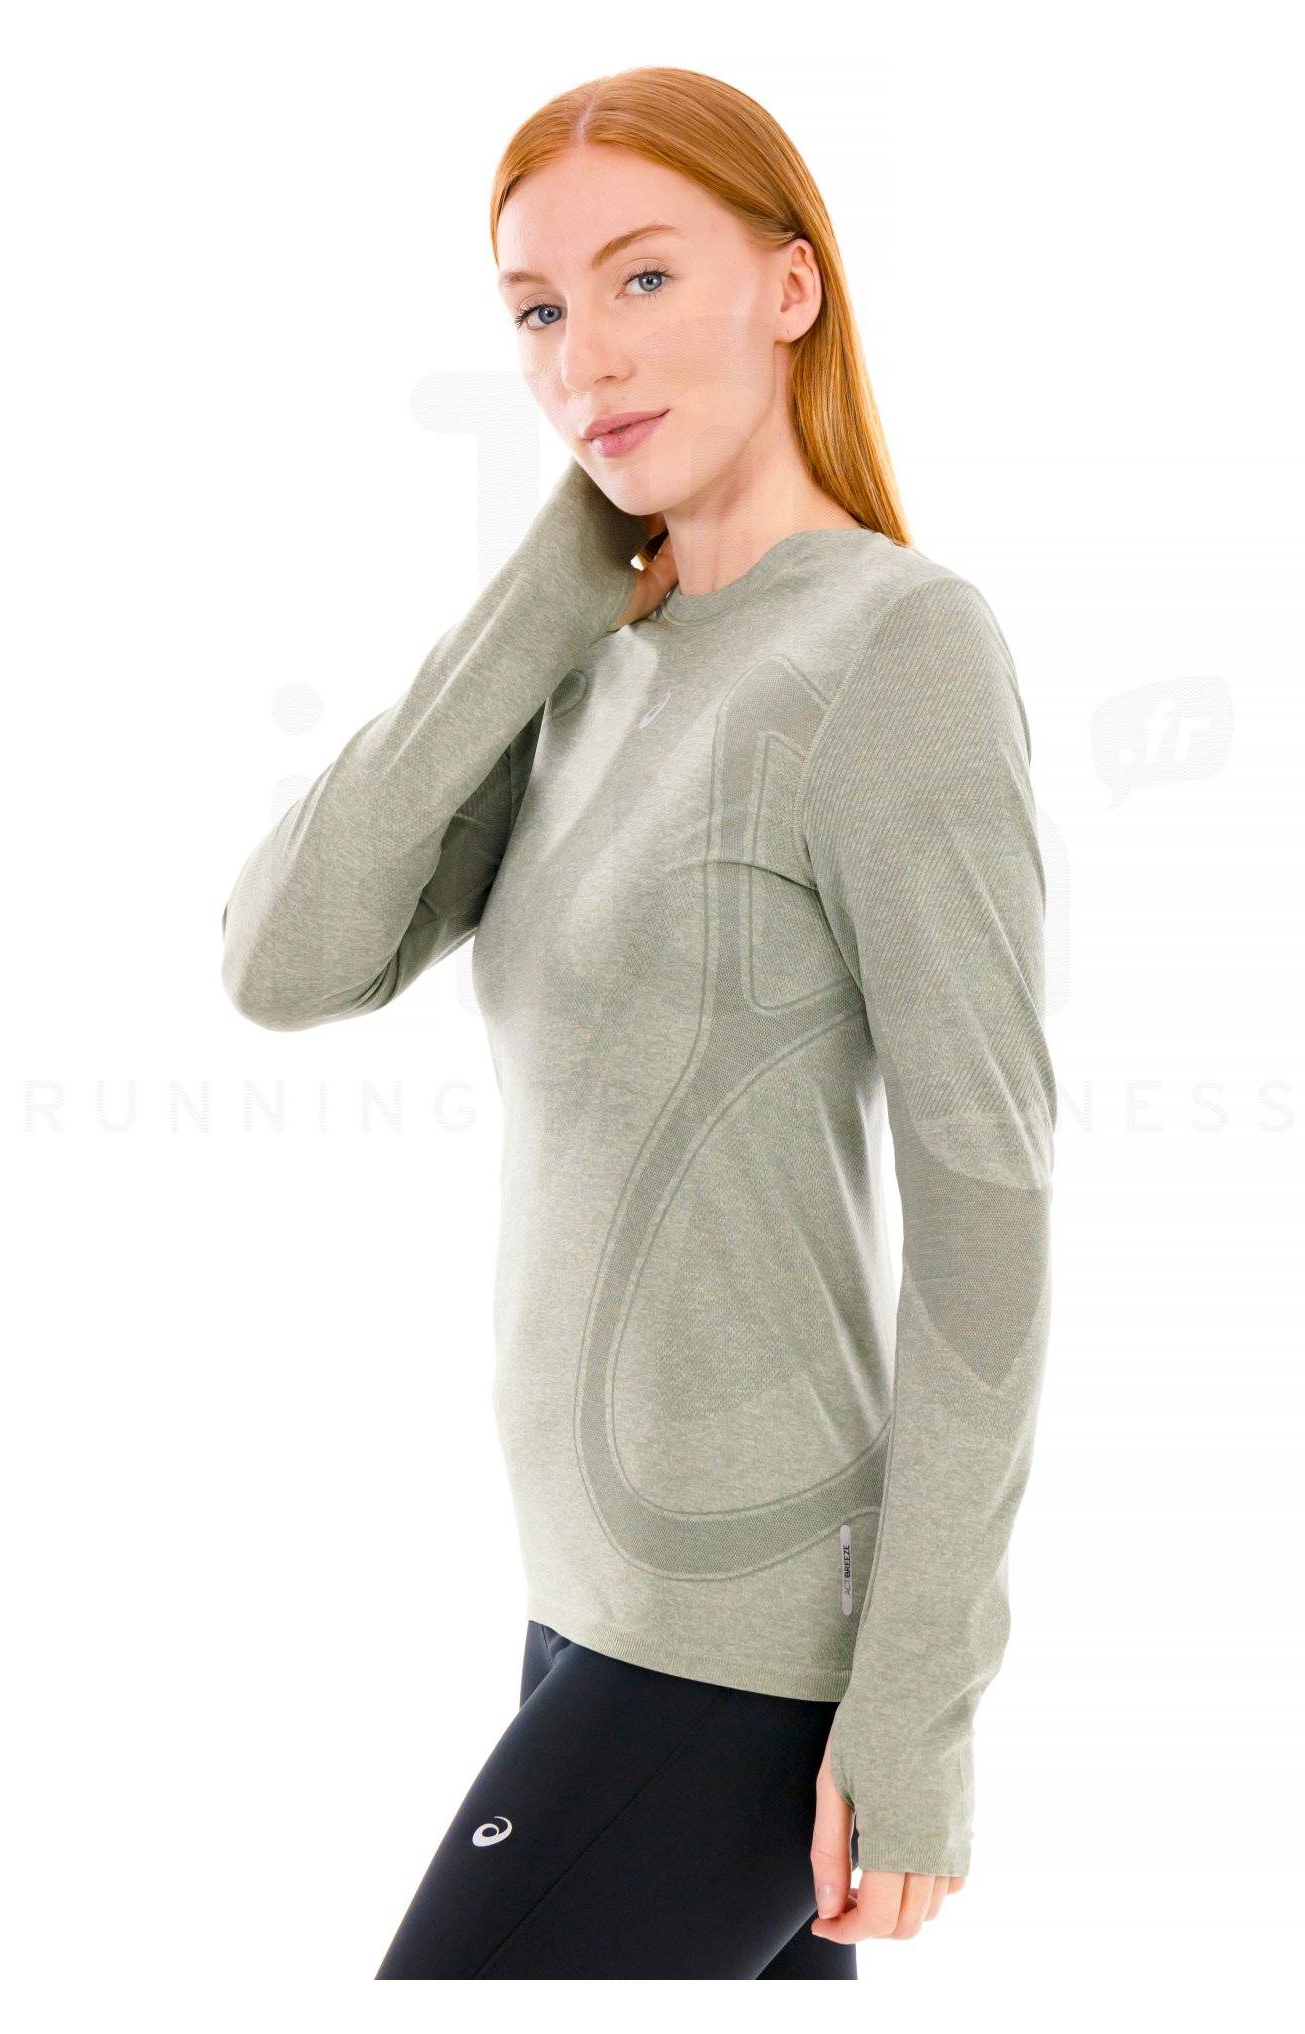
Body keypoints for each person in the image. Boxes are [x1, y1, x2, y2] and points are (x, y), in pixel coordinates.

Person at [220, 65, 1057, 1980]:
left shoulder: (896, 649)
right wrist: (547, 599)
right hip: (582, 1602)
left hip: (744, 1629)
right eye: (536, 308)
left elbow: (988, 1214)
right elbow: (283, 962)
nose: (582, 354)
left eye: (643, 277)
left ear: (790, 284)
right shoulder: (592, 676)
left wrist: (920, 1707)